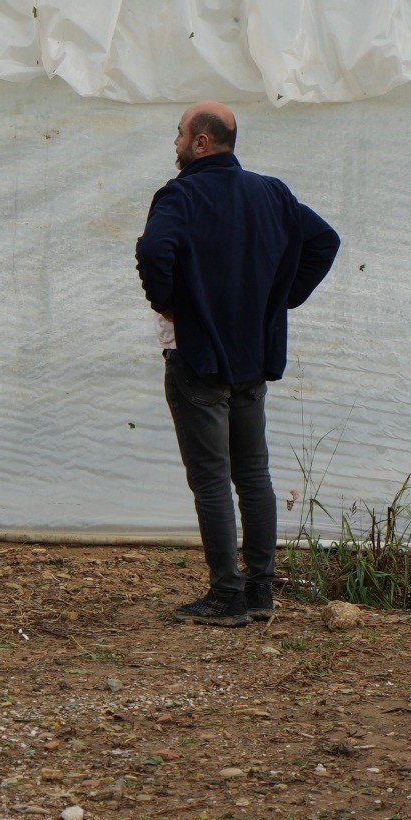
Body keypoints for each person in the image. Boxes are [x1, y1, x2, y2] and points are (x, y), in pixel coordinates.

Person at [135, 102, 341, 627]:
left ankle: (227, 597)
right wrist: (280, 299)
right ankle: (259, 593)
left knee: (211, 480)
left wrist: (167, 302)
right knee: (253, 474)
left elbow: (154, 249)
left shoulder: (180, 195)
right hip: (253, 356)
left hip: (198, 357)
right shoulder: (270, 192)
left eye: (180, 133)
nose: (176, 142)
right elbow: (324, 241)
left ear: (202, 142)